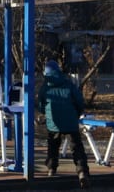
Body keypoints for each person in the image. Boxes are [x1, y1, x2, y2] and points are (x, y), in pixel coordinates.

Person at [38, 60, 91, 189]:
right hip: (70, 122)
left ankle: (51, 169)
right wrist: (77, 114)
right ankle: (82, 171)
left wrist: (46, 114)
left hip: (53, 123)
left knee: (53, 147)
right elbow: (79, 101)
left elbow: (41, 106)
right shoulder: (68, 84)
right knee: (77, 148)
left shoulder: (45, 87)